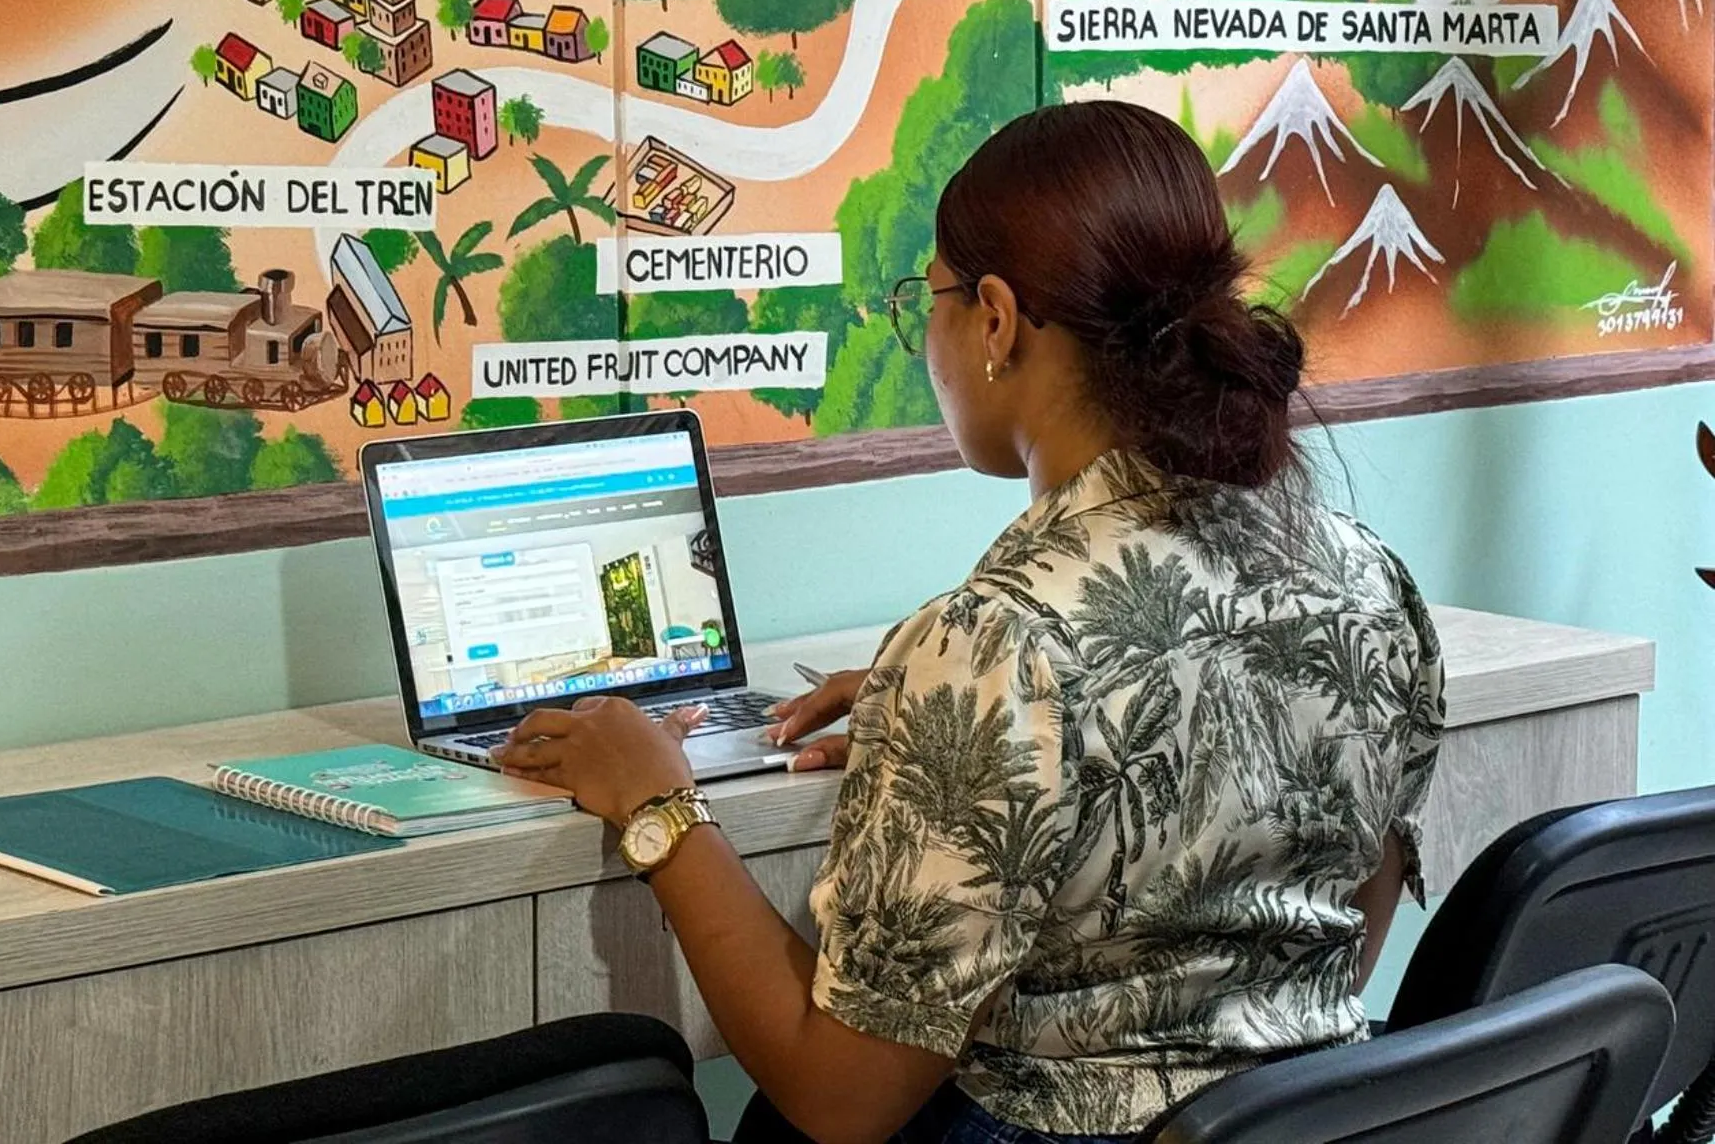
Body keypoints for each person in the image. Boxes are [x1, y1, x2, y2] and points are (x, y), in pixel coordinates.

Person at [495, 100, 1445, 1144]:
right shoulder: (1364, 575)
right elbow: (1341, 924)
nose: (932, 334)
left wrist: (659, 804)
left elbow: (841, 1102)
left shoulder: (1001, 644)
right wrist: (946, 738)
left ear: (993, 319)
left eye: (932, 302)